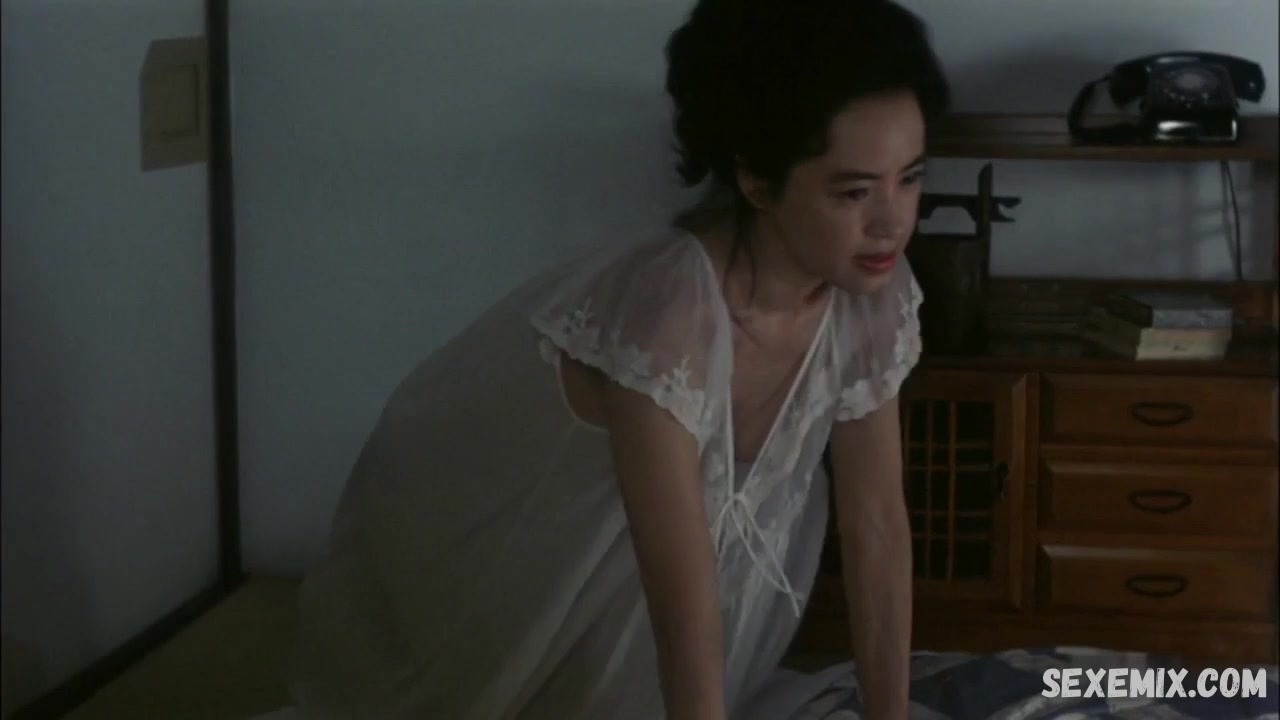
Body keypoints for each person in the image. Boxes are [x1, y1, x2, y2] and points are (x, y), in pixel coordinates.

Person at [279, 0, 951, 718]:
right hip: (541, 582)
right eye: (854, 191)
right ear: (756, 181)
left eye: (910, 178)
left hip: (670, 613)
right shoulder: (670, 314)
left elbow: (877, 523)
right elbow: (677, 590)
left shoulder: (869, 297)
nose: (893, 221)